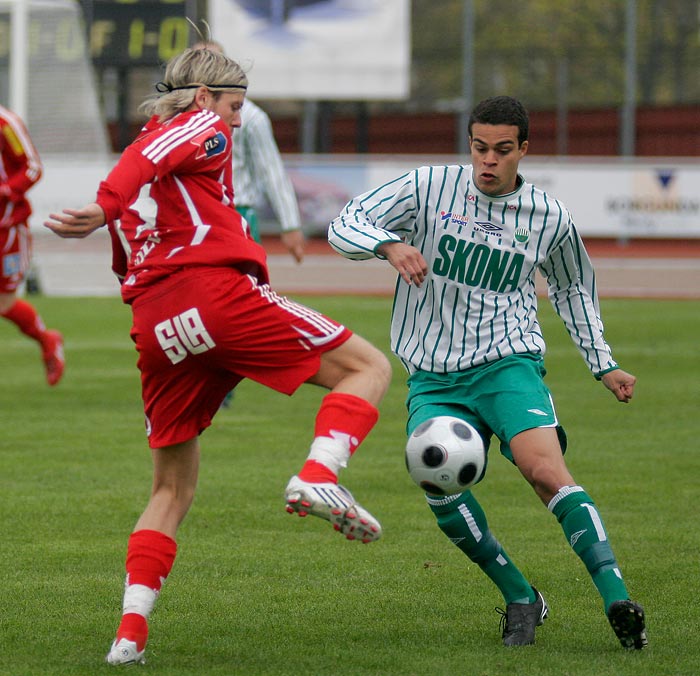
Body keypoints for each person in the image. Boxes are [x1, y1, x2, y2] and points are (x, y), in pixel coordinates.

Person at [45, 47, 391, 666]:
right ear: (204, 97)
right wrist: (103, 205)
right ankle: (319, 476)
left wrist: (113, 212)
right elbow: (142, 163)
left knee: (170, 488)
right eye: (235, 106)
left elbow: (131, 232)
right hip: (215, 294)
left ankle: (129, 636)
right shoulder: (196, 126)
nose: (237, 121)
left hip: (157, 324)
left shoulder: (161, 150)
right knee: (369, 368)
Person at [328, 95, 647, 650]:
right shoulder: (427, 186)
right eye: (480, 148)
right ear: (469, 144)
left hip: (507, 361)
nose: (488, 161)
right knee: (438, 485)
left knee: (545, 471)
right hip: (433, 374)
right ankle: (520, 595)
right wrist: (388, 243)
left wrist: (604, 364)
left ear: (524, 149)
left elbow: (573, 288)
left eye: (502, 150)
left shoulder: (549, 218)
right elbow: (344, 221)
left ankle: (617, 597)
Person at [0, 104, 64, 386]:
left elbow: (32, 167)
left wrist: (6, 191)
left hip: (7, 228)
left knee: (4, 302)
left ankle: (47, 339)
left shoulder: (5, 124)